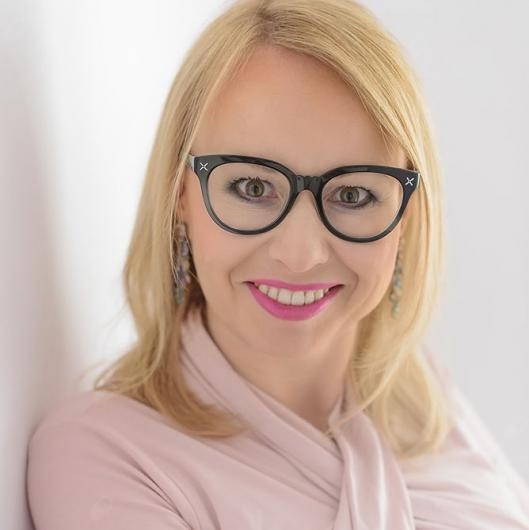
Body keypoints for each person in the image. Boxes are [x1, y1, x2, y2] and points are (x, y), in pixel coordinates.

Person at [26, 0, 529, 528]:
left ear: (406, 216)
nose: (301, 254)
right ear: (181, 195)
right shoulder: (106, 456)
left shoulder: (424, 400)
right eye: (252, 187)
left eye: (353, 195)